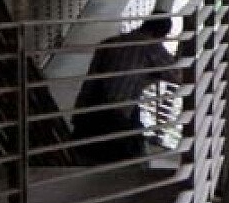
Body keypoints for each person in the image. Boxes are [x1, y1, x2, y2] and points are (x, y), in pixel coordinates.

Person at [71, 15, 177, 165]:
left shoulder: (109, 43)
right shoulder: (150, 47)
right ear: (161, 35)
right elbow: (178, 75)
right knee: (134, 165)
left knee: (85, 161)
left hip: (87, 113)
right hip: (114, 119)